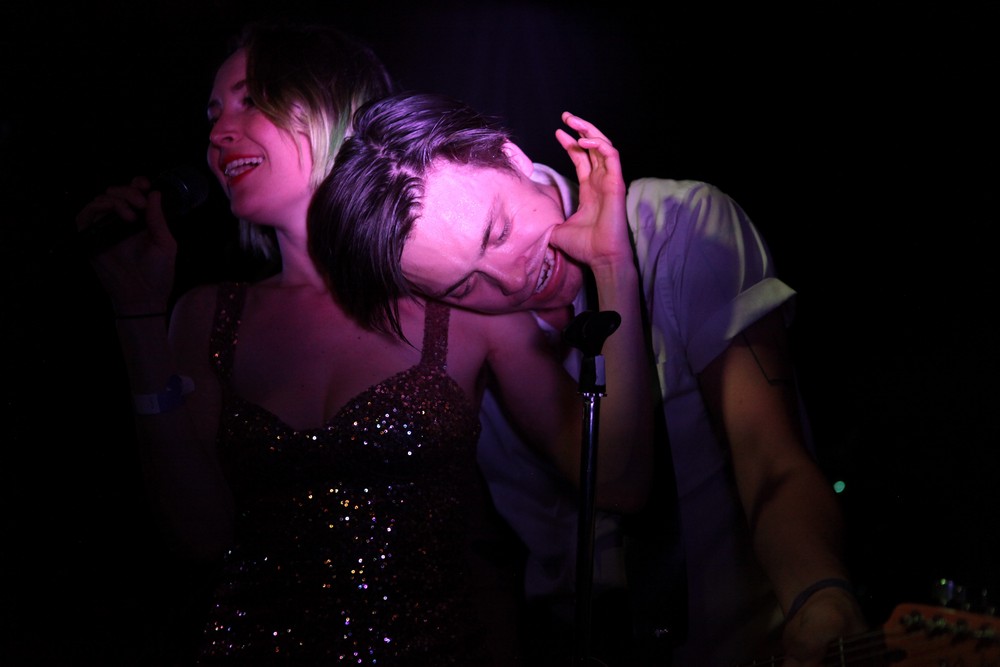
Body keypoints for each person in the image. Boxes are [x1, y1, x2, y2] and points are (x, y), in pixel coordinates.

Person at [74, 22, 655, 667]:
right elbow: (198, 539)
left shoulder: (461, 294)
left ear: (335, 103)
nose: (218, 135)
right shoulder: (207, 317)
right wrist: (137, 312)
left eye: (251, 100)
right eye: (212, 116)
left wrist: (612, 267)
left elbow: (617, 480)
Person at [307, 90, 870, 667]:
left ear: (512, 156)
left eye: (497, 232)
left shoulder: (678, 227)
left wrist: (820, 597)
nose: (510, 281)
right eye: (463, 284)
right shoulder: (460, 336)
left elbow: (771, 457)